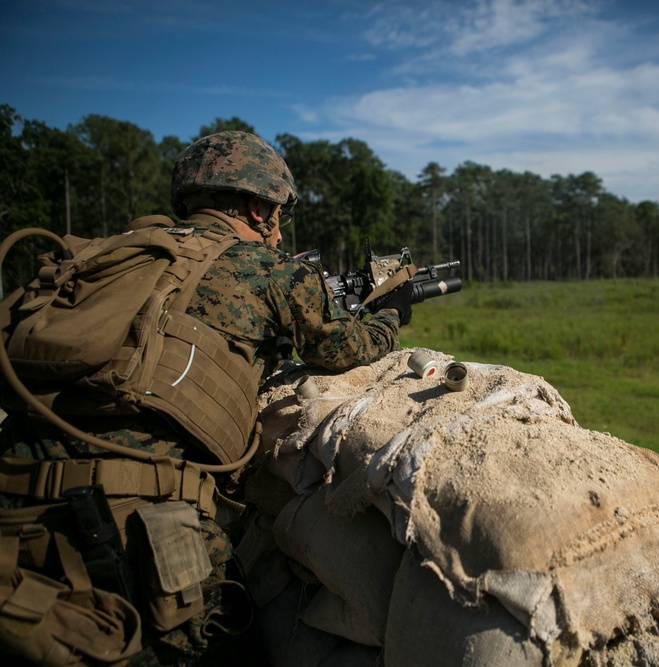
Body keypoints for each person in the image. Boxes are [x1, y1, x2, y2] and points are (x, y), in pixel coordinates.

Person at [0, 131, 412, 665]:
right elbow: (347, 347)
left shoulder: (109, 256)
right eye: (278, 212)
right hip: (134, 526)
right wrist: (389, 314)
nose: (280, 227)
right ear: (257, 206)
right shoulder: (270, 270)